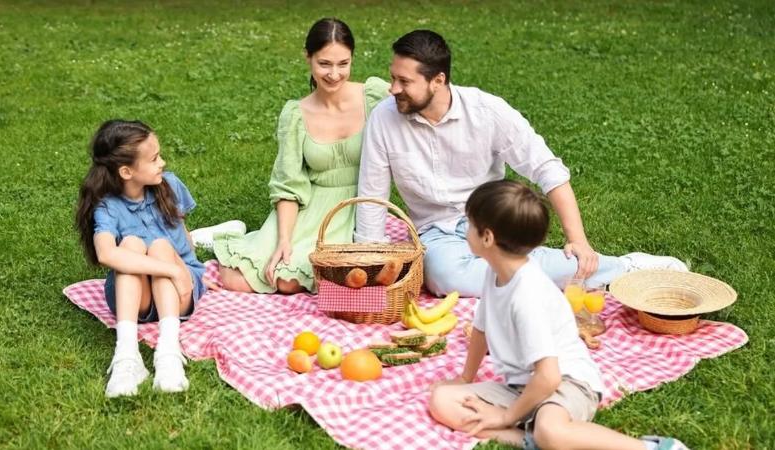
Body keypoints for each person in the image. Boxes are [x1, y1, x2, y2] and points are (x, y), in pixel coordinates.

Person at [355, 30, 686, 297]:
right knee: (443, 279)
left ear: (438, 80)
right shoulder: (384, 118)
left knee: (487, 268)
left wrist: (579, 240)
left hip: (492, 219)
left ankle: (625, 268)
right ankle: (556, 270)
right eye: (393, 78)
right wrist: (368, 264)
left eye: (404, 82)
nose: (394, 88)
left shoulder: (488, 111)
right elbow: (372, 195)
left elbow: (547, 169)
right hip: (434, 231)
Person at [428, 180, 689, 450]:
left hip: (567, 383)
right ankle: (532, 440)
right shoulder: (495, 272)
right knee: (442, 400)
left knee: (550, 431)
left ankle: (652, 447)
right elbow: (481, 329)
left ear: (487, 237)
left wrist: (506, 415)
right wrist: (465, 379)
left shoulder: (527, 294)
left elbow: (549, 377)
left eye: (470, 225)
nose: (465, 231)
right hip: (522, 387)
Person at [210, 18, 390, 294]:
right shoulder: (296, 114)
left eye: (343, 63)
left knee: (336, 279)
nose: (334, 74)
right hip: (312, 204)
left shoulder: (374, 96)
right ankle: (231, 235)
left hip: (361, 204)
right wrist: (284, 239)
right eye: (324, 64)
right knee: (245, 278)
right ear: (308, 58)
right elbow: (289, 183)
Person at [75, 120, 205, 398]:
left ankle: (168, 353)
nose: (163, 162)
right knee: (131, 244)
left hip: (179, 289)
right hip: (137, 296)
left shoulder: (169, 185)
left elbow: (183, 232)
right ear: (126, 171)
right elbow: (106, 254)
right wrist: (170, 269)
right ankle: (127, 357)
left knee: (159, 245)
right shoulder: (108, 206)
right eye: (154, 158)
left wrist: (184, 268)